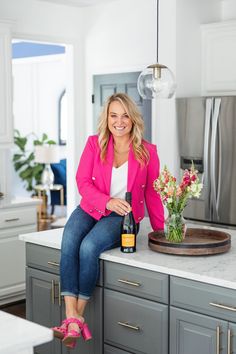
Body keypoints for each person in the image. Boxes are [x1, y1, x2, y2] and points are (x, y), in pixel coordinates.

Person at [52, 93, 164, 348]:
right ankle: (73, 316)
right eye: (114, 115)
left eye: (125, 115)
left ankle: (75, 319)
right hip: (92, 207)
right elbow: (82, 182)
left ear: (133, 119)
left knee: (89, 247)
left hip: (123, 216)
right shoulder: (95, 144)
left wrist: (160, 230)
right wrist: (106, 201)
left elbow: (153, 193)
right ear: (107, 118)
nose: (119, 121)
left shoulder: (147, 151)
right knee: (69, 240)